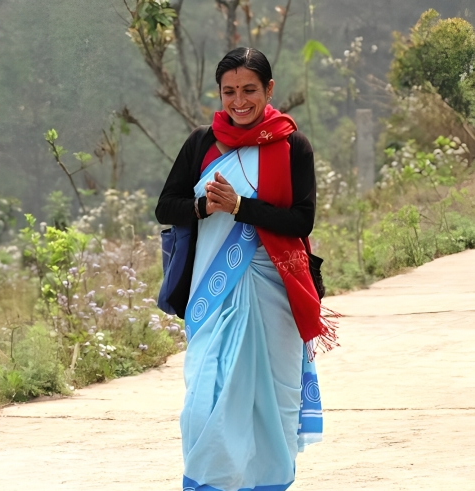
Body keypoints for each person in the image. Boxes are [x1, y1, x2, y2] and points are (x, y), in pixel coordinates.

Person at [155, 47, 335, 491]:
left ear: (269, 90)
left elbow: (301, 220)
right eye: (229, 91)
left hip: (276, 289)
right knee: (206, 395)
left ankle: (267, 482)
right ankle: (209, 481)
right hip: (213, 290)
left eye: (249, 90)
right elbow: (166, 206)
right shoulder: (202, 143)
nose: (239, 101)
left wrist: (240, 207)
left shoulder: (292, 146)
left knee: (270, 401)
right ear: (219, 93)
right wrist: (202, 206)